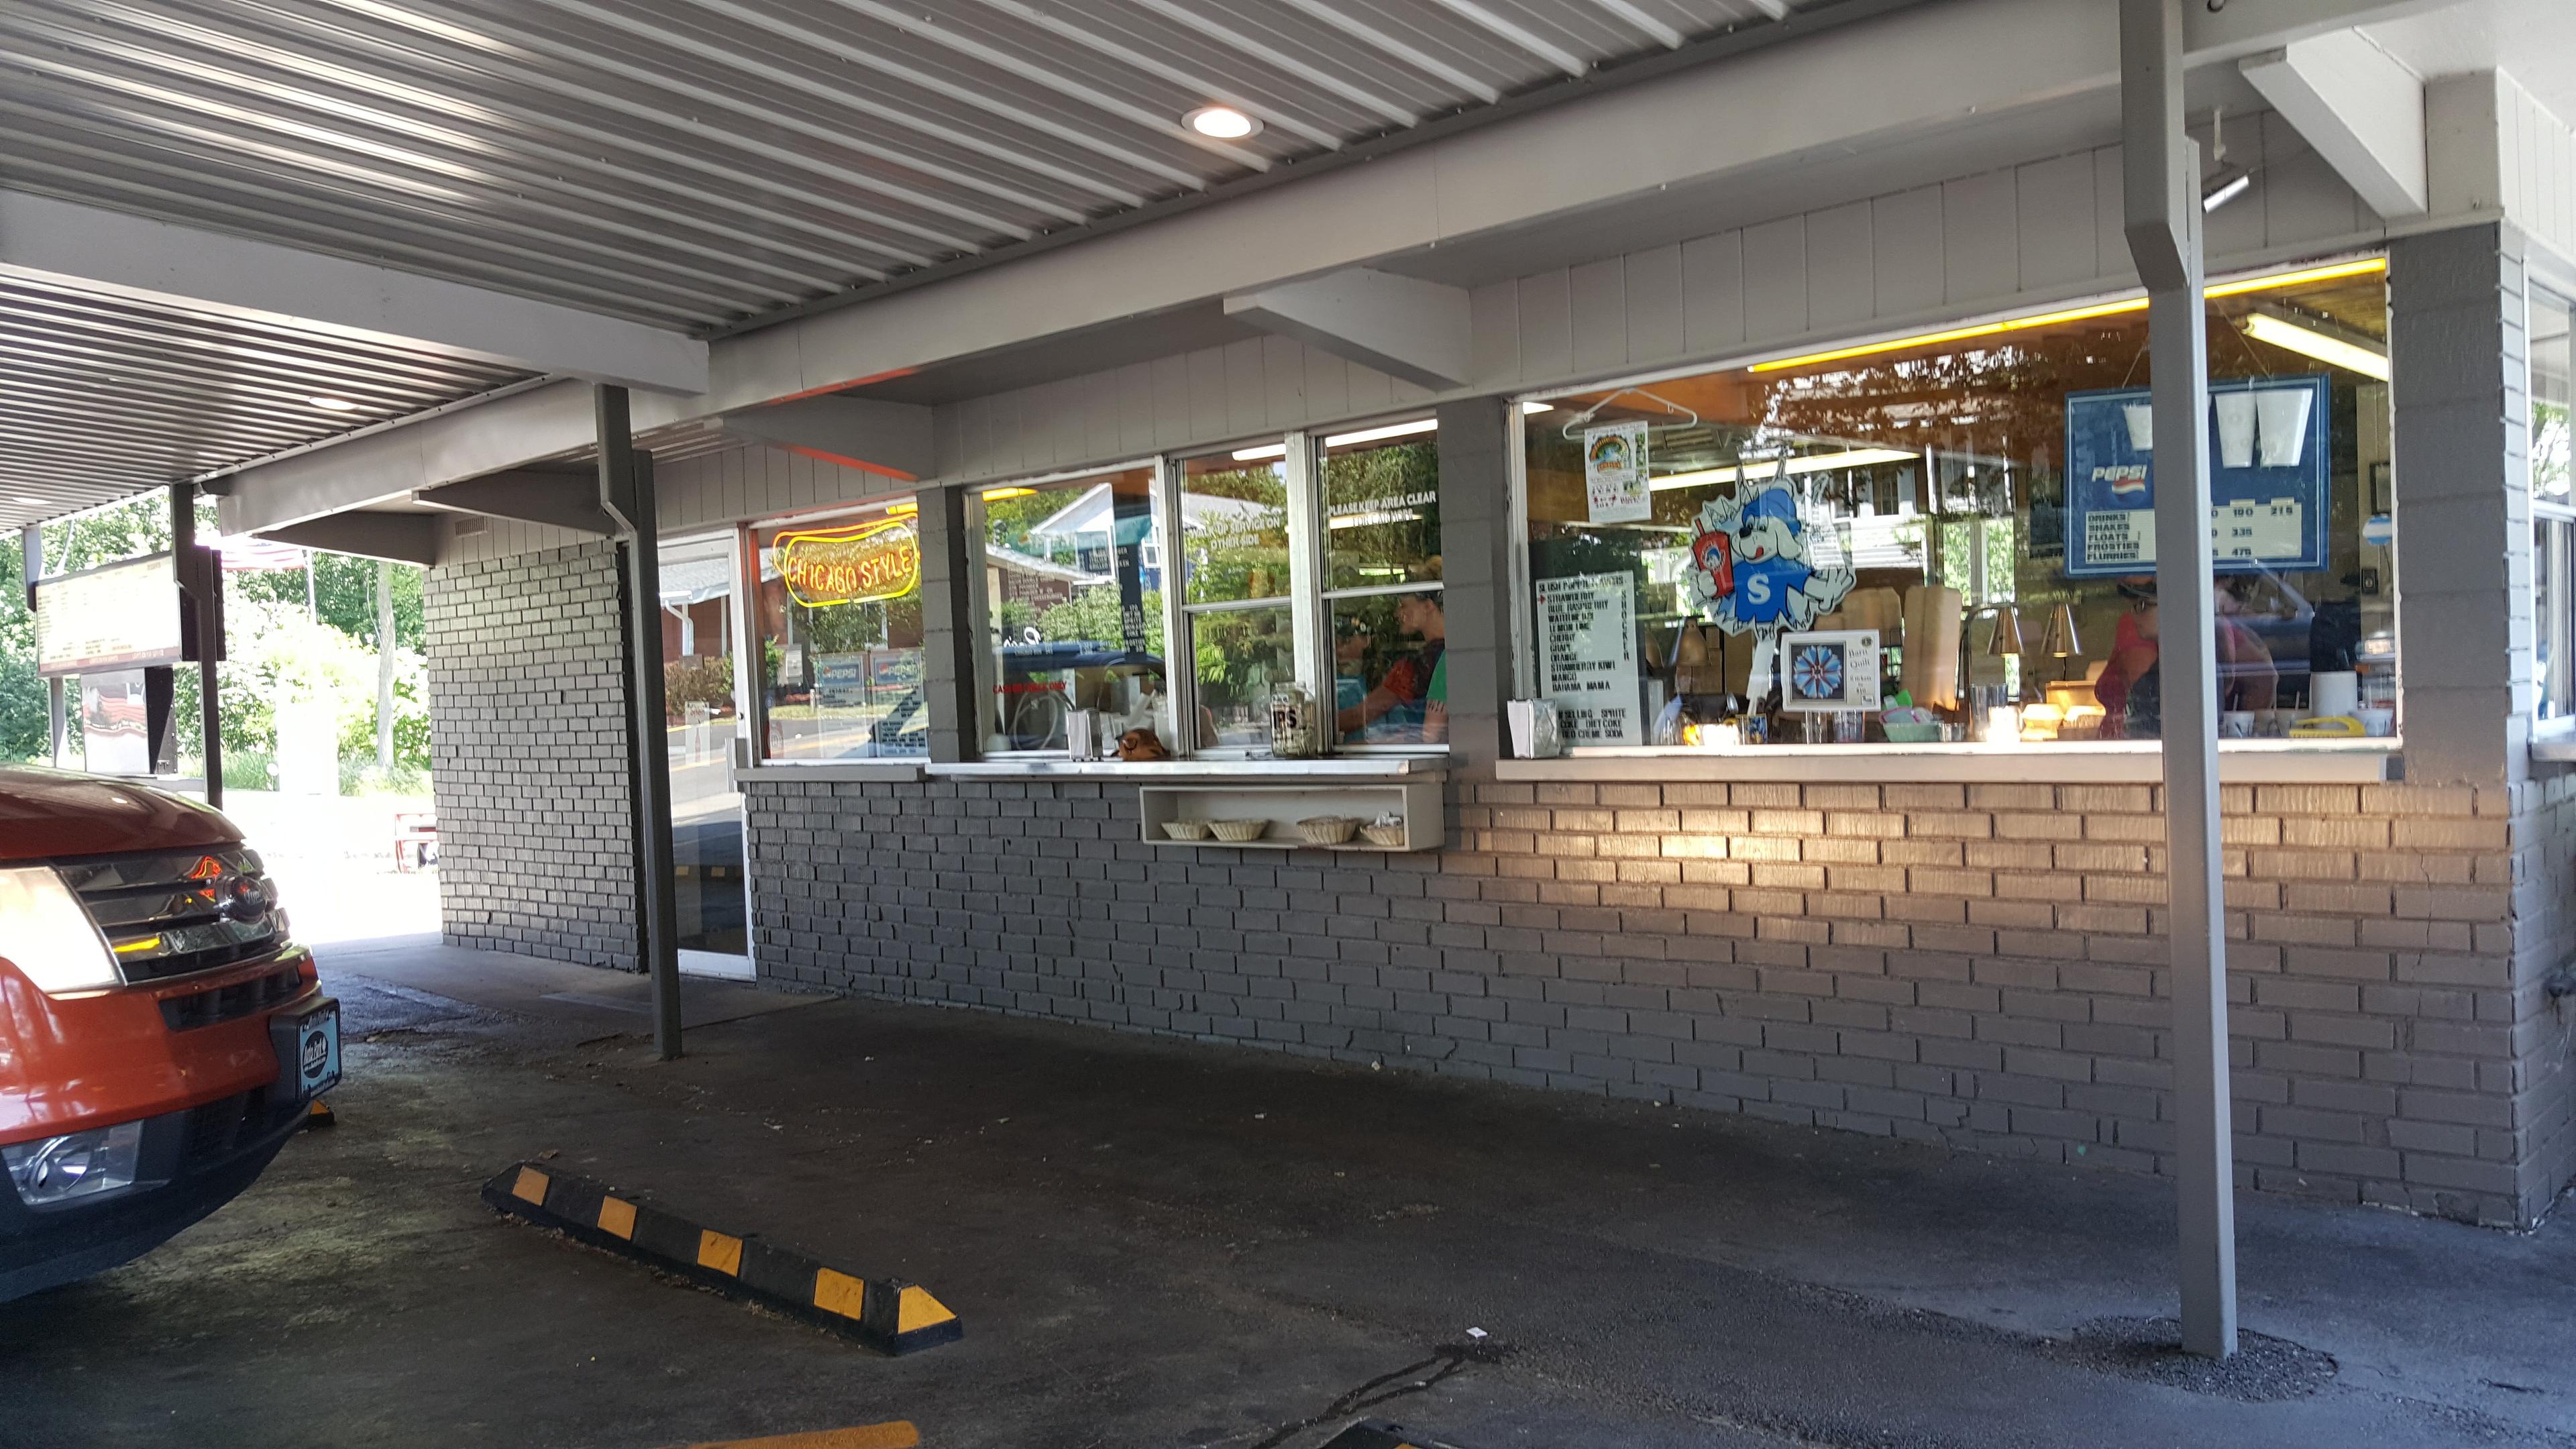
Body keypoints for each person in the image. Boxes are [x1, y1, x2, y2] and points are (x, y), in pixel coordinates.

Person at [1339, 592, 1446, 744]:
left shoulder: (1415, 666)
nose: (1397, 613)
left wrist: (1315, 726)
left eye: (1403, 605)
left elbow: (1361, 715)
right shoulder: (1462, 654)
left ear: (1428, 606)